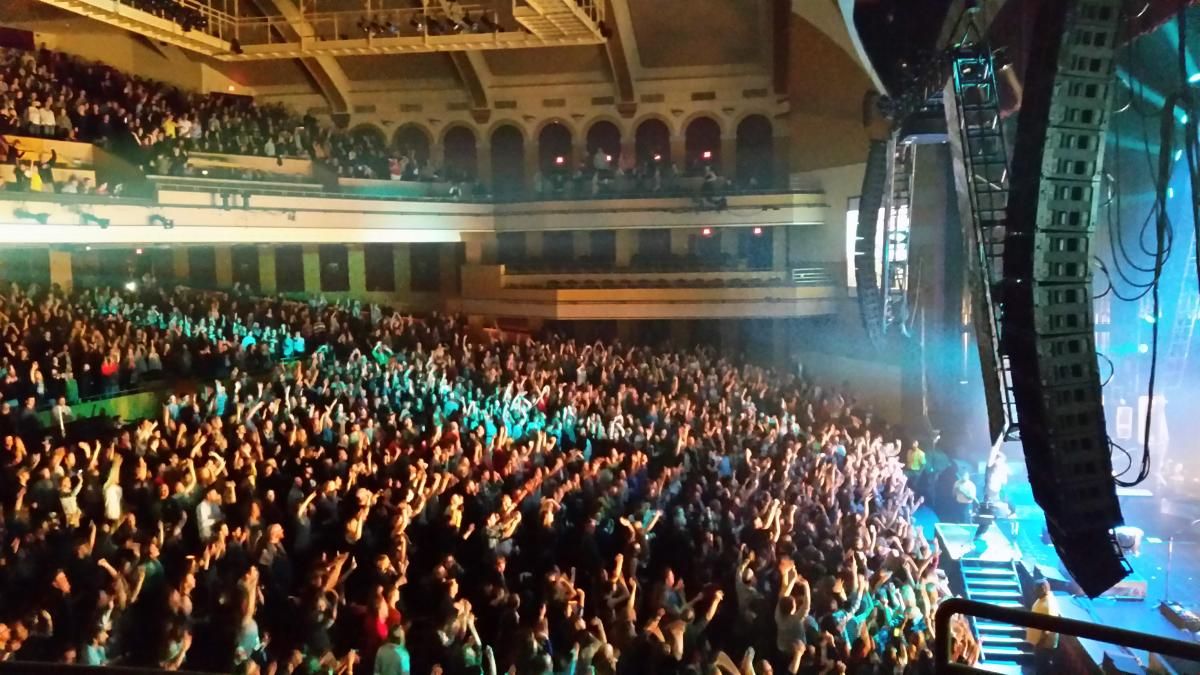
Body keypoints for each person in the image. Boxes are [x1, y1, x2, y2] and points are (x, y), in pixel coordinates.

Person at [1027, 580, 1059, 673]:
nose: (1034, 591)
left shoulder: (1048, 605)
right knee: (1039, 665)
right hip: (1040, 643)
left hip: (1044, 645)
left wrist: (1040, 643)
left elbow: (1048, 628)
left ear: (1043, 589)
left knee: (1042, 668)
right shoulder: (1044, 598)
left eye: (1036, 589)